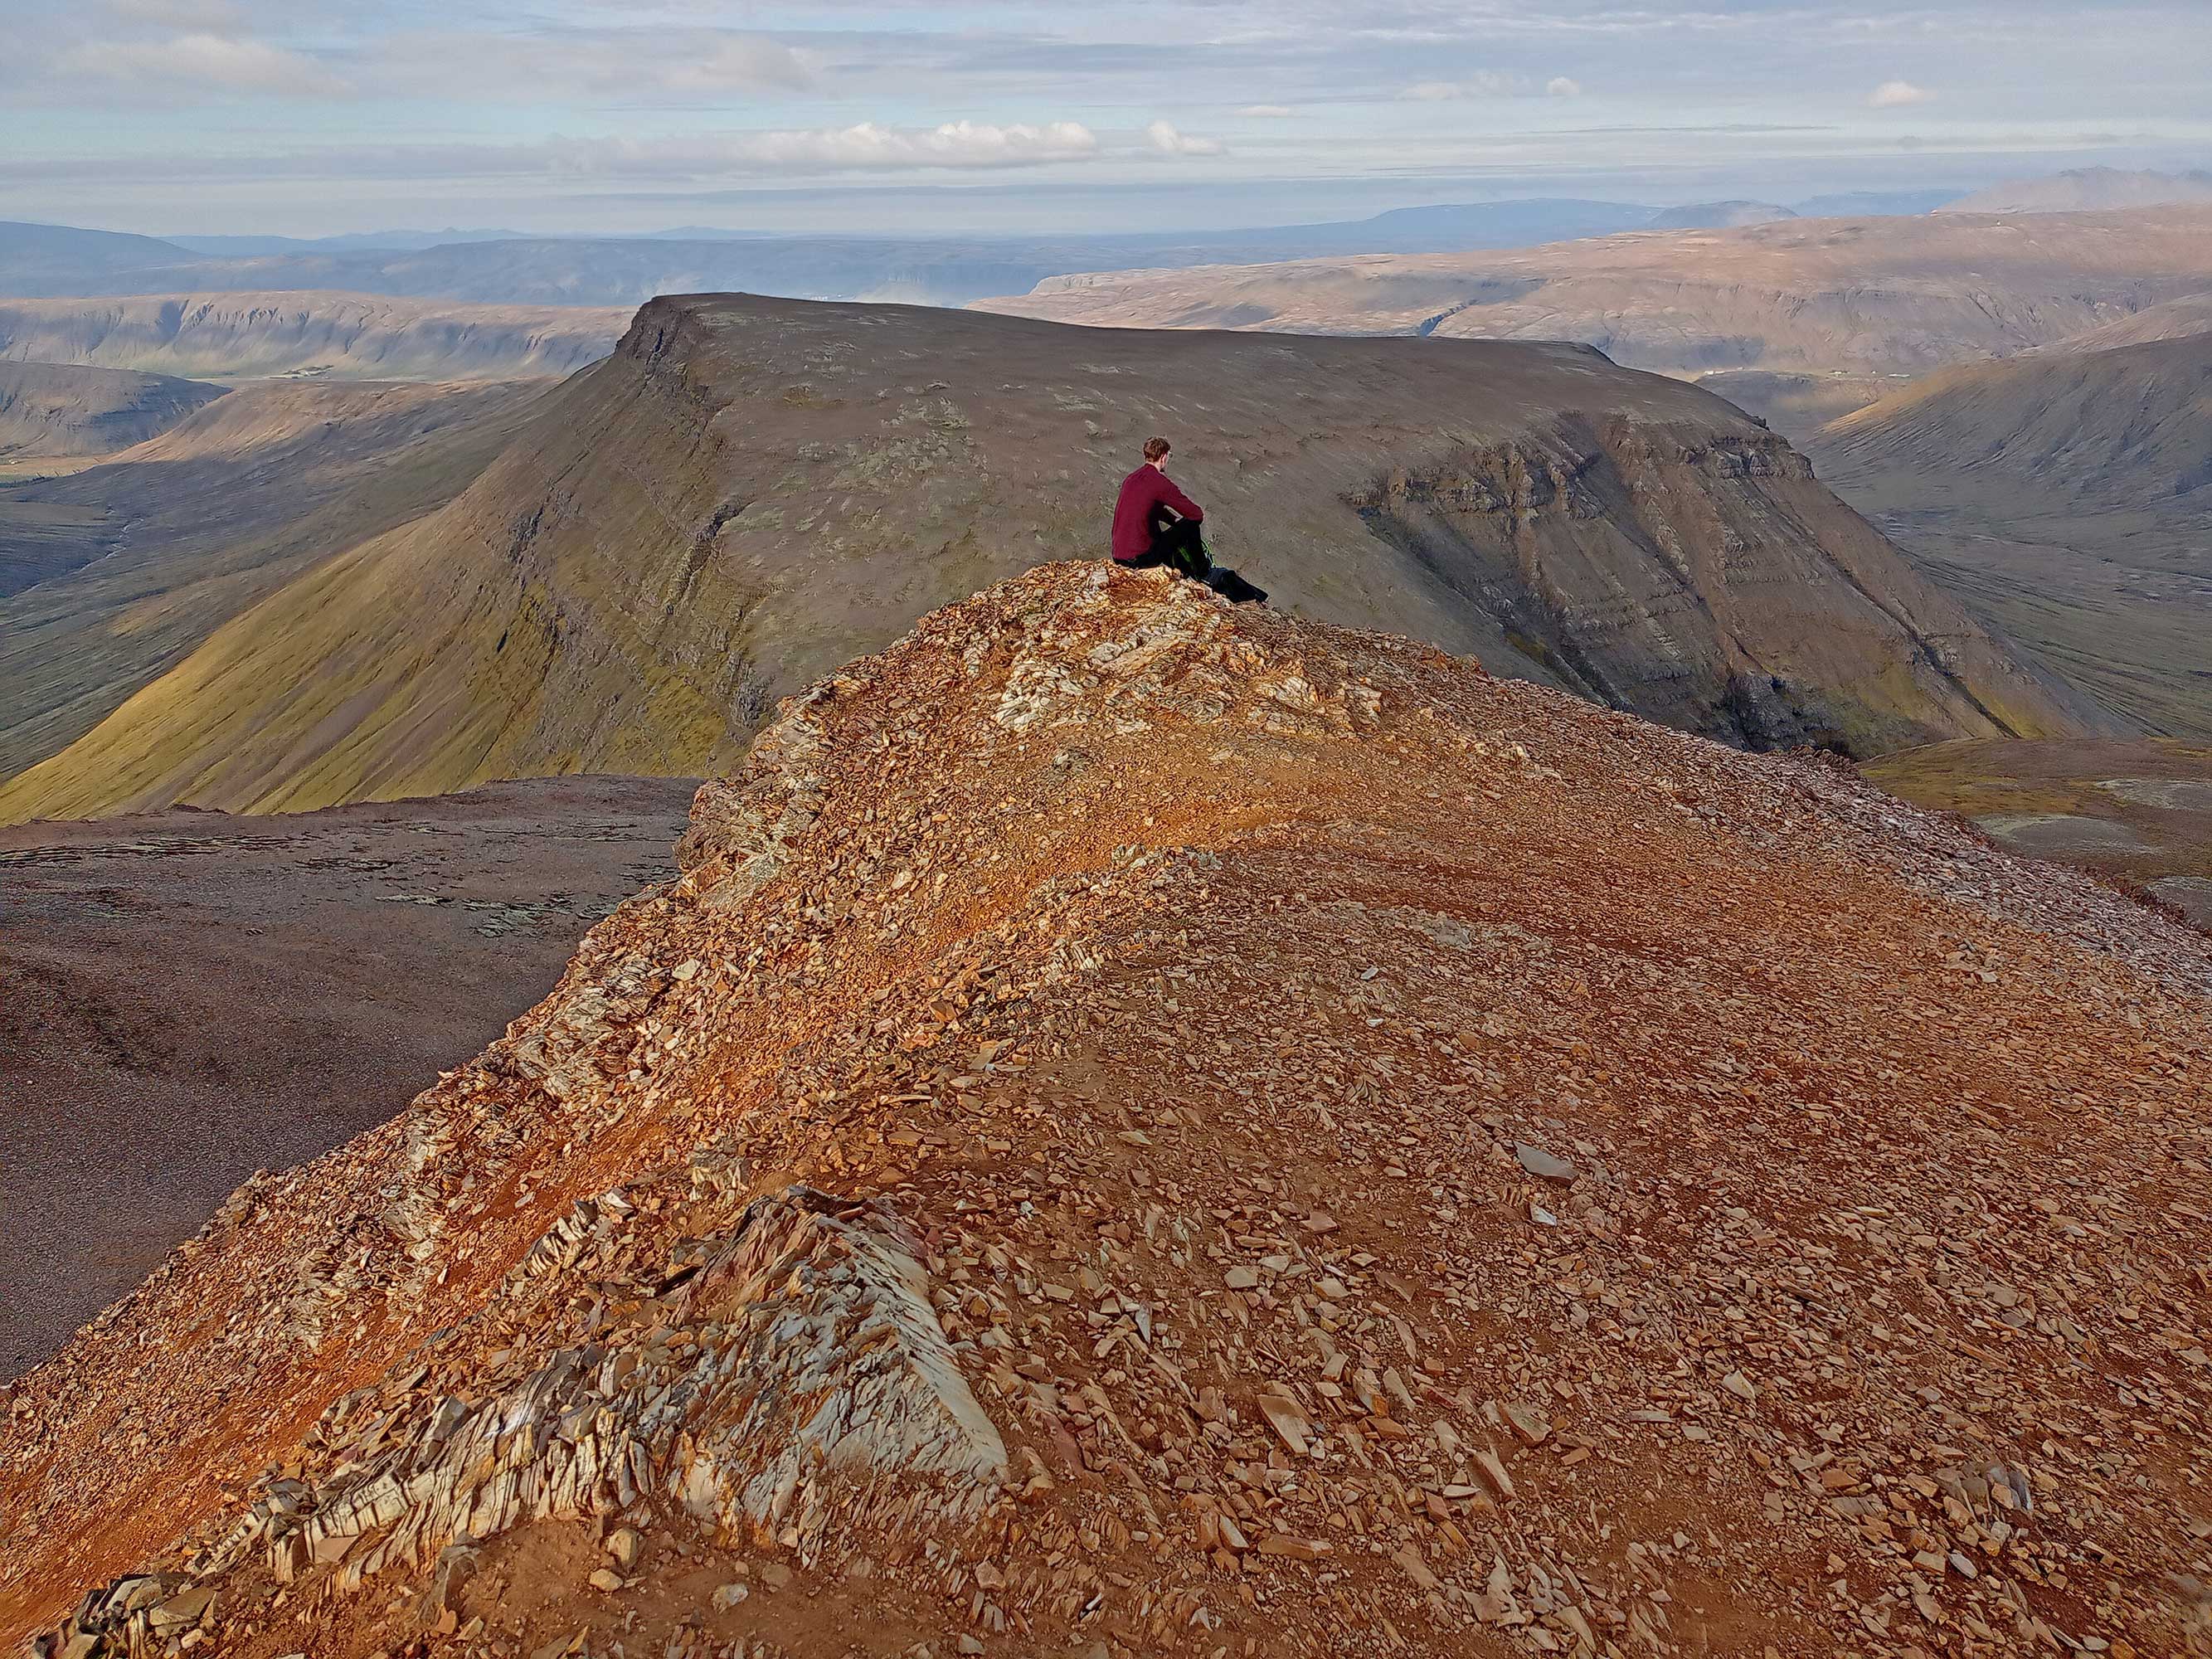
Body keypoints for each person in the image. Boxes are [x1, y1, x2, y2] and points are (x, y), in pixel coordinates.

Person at [1110, 437, 1266, 603]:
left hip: (1119, 556)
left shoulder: (1131, 479)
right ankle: (1204, 572)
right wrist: (1180, 522)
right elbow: (1196, 515)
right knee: (1191, 525)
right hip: (1139, 559)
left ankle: (1189, 570)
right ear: (1163, 457)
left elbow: (1151, 509)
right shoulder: (1160, 483)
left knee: (1173, 530)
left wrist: (1174, 521)